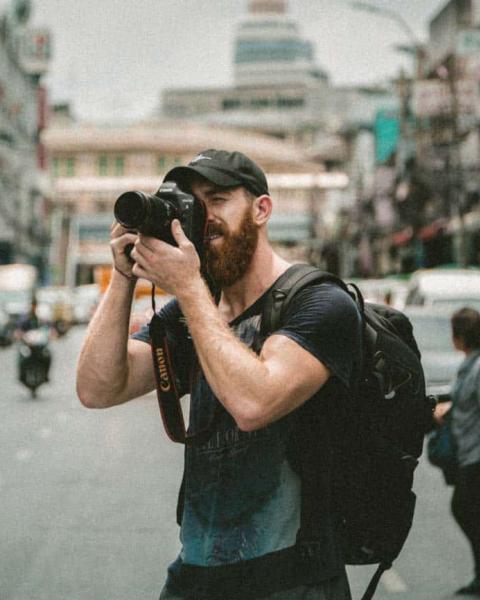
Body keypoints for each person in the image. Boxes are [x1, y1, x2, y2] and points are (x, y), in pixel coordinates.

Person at [76, 149, 362, 600]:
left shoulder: (319, 303)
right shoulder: (198, 308)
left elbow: (255, 404)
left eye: (218, 198)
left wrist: (189, 286)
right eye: (191, 204)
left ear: (261, 209)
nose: (202, 217)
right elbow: (98, 387)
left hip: (291, 580)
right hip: (196, 574)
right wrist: (124, 278)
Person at [434, 307, 480, 596]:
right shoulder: (470, 365)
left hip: (477, 454)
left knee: (464, 508)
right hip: (470, 451)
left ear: (459, 337)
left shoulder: (477, 368)